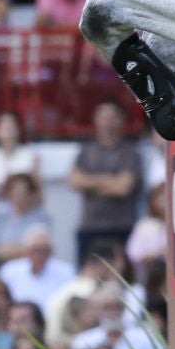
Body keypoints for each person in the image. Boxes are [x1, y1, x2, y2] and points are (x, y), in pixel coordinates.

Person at [69, 101, 144, 262]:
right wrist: (109, 180)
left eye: (111, 117)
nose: (107, 121)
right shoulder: (86, 150)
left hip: (121, 228)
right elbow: (74, 181)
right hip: (90, 227)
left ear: (120, 120)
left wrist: (90, 183)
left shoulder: (130, 152)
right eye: (103, 117)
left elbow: (123, 188)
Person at [0, 226, 77, 312]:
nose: (40, 255)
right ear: (27, 250)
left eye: (45, 250)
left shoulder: (66, 271)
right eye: (36, 250)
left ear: (51, 252)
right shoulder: (9, 270)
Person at [0, 173, 53, 264]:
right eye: (16, 193)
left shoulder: (41, 218)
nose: (19, 197)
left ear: (31, 194)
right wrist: (28, 249)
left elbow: (43, 249)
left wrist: (9, 250)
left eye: (23, 193)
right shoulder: (0, 218)